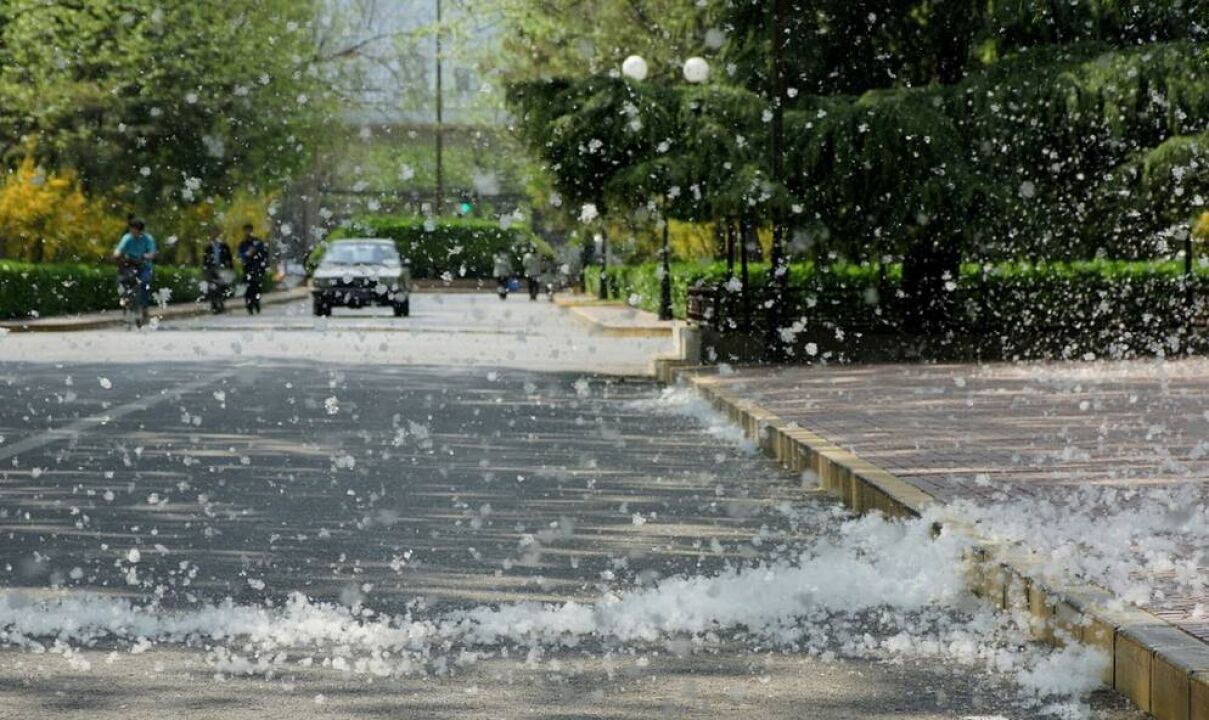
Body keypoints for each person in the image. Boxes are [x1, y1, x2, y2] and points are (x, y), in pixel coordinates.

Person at [112, 218, 157, 322]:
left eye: (134, 230)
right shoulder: (127, 238)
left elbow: (152, 252)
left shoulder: (148, 239)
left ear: (140, 230)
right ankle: (126, 301)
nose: (132, 232)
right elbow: (119, 249)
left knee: (144, 282)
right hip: (130, 264)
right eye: (131, 229)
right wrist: (117, 254)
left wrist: (147, 256)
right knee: (122, 281)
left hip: (143, 265)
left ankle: (144, 307)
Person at [237, 223, 268, 315]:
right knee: (248, 289)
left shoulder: (257, 242)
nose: (247, 232)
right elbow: (240, 255)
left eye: (249, 230)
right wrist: (247, 254)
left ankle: (256, 303)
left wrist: (256, 252)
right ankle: (249, 305)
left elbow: (263, 254)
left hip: (257, 269)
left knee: (256, 288)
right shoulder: (243, 244)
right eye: (246, 230)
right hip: (247, 269)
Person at [202, 230, 234, 313]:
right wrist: (205, 270)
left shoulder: (224, 246)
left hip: (222, 269)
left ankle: (221, 302)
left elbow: (229, 259)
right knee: (212, 287)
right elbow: (205, 261)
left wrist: (230, 269)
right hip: (212, 269)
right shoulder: (208, 248)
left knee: (222, 287)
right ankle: (214, 305)